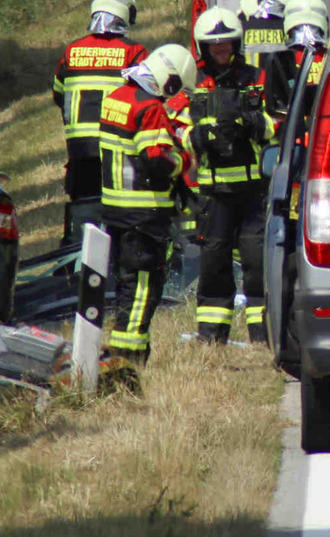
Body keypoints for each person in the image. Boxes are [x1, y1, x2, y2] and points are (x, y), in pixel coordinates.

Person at [172, 6, 277, 344]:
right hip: (214, 192)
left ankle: (262, 334)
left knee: (256, 262)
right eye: (214, 47)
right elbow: (175, 128)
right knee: (214, 264)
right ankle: (212, 335)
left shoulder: (256, 78)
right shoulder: (193, 83)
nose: (221, 52)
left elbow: (278, 122)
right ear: (203, 48)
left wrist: (253, 124)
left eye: (226, 45)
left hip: (253, 191)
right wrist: (198, 138)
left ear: (236, 44)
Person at [99, 43, 198, 364]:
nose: (172, 94)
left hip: (115, 209)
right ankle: (129, 356)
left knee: (126, 283)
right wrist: (183, 162)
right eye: (174, 87)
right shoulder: (149, 107)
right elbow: (156, 158)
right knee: (144, 287)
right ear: (167, 79)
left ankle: (121, 347)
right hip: (144, 212)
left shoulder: (116, 97)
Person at [53, 0, 148, 210]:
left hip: (80, 150)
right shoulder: (134, 52)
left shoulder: (72, 51)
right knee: (117, 213)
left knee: (84, 213)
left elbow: (58, 94)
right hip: (116, 145)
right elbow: (148, 101)